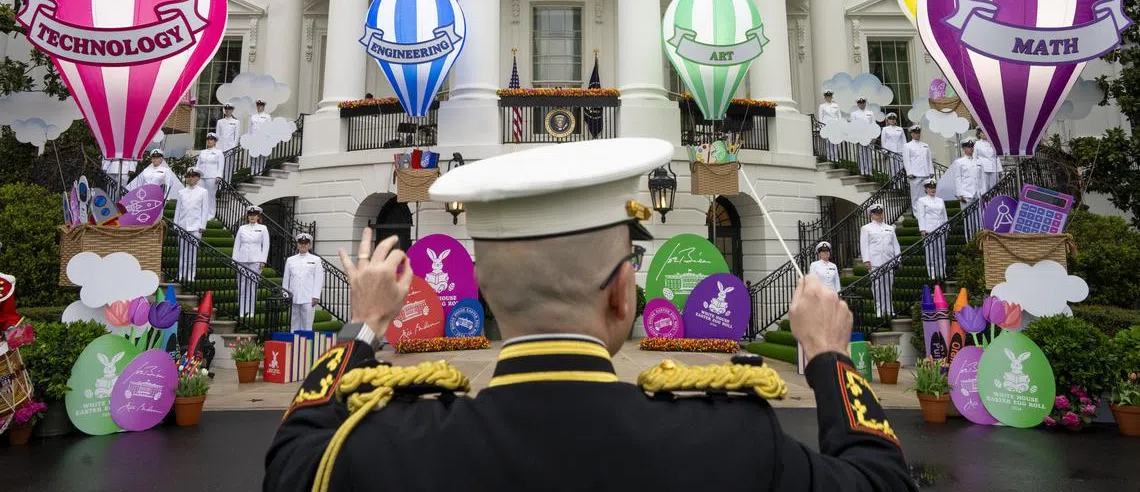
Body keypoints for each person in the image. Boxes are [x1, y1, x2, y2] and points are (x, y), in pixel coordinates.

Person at [265, 139, 915, 492]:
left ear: (484, 295)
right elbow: (882, 479)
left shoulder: (387, 447)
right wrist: (829, 357)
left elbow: (291, 459)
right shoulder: (734, 441)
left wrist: (366, 325)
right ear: (622, 294)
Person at [859, 204, 900, 318]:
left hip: (889, 260)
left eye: (880, 213)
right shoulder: (866, 228)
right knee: (877, 286)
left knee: (888, 286)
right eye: (876, 214)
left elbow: (895, 244)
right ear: (871, 215)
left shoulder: (890, 228)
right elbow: (864, 245)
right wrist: (866, 260)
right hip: (874, 261)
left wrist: (898, 258)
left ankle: (889, 309)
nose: (879, 216)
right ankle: (879, 309)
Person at [232, 206, 271, 318]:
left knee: (252, 286)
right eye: (250, 215)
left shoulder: (263, 228)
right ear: (248, 216)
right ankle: (242, 310)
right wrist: (235, 260)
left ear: (258, 217)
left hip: (256, 260)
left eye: (254, 215)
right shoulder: (242, 228)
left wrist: (263, 260)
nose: (252, 217)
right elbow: (237, 245)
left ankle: (250, 311)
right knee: (242, 285)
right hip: (242, 259)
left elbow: (266, 246)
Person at [172, 168, 209, 283]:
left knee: (192, 253)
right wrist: (175, 224)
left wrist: (202, 226)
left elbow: (205, 210)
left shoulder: (203, 192)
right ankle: (180, 274)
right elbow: (178, 209)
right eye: (189, 176)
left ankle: (190, 275)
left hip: (196, 226)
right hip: (183, 225)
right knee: (182, 252)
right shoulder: (181, 192)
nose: (191, 178)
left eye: (193, 176)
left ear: (198, 178)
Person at [282, 233, 323, 331]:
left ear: (309, 245)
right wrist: (285, 293)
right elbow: (286, 278)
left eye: (305, 243)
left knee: (307, 324)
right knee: (294, 322)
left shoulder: (316, 260)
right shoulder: (290, 260)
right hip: (294, 295)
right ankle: (294, 343)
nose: (303, 245)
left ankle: (306, 345)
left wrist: (316, 296)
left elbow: (319, 279)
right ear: (297, 245)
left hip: (308, 296)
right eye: (301, 243)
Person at [914, 179, 949, 280]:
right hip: (929, 229)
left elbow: (944, 215)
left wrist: (946, 226)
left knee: (941, 252)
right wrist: (922, 229)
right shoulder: (922, 200)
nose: (932, 189)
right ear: (926, 189)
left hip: (940, 228)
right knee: (930, 252)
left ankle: (942, 272)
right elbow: (921, 216)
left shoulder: (940, 200)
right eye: (930, 188)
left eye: (934, 187)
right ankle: (932, 273)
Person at [949, 140, 985, 238]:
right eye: (969, 147)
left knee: (979, 220)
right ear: (964, 148)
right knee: (968, 220)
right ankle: (969, 241)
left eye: (972, 146)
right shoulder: (959, 162)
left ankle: (979, 240)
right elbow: (957, 178)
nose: (971, 149)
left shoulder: (978, 161)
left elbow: (982, 178)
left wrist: (983, 191)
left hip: (977, 193)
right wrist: (960, 194)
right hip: (966, 193)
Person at [195, 133, 225, 220]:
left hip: (212, 177)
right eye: (208, 139)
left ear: (215, 142)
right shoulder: (202, 152)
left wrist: (219, 176)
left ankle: (211, 215)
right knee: (200, 195)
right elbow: (198, 165)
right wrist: (195, 175)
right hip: (201, 177)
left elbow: (220, 166)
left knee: (211, 196)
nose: (209, 141)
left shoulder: (219, 153)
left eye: (211, 139)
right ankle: (201, 213)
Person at [903, 126, 933, 210]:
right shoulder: (907, 146)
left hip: (925, 173)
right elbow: (906, 160)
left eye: (918, 133)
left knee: (927, 194)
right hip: (915, 174)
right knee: (915, 195)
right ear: (912, 134)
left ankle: (926, 210)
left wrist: (931, 170)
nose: (917, 134)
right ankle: (916, 213)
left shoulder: (925, 145)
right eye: (915, 133)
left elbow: (929, 159)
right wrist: (909, 172)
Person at [849, 97, 877, 176]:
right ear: (857, 104)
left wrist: (874, 136)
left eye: (863, 102)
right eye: (860, 103)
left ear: (865, 103)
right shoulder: (854, 114)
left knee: (869, 154)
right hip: (859, 136)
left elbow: (873, 124)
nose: (862, 104)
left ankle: (869, 171)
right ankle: (862, 170)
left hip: (868, 136)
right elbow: (853, 126)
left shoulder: (870, 113)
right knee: (861, 154)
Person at [816, 90, 843, 162]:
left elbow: (839, 116)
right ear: (825, 97)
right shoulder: (822, 106)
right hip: (826, 125)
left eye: (830, 96)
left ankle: (836, 158)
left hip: (835, 125)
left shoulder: (836, 105)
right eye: (827, 96)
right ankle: (830, 157)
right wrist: (821, 128)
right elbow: (820, 117)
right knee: (828, 143)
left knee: (836, 142)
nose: (828, 97)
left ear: (831, 97)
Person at [216, 104, 241, 179]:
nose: (227, 111)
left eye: (229, 109)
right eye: (226, 109)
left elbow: (236, 136)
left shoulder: (236, 122)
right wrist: (216, 147)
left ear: (232, 110)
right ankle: (219, 185)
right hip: (220, 147)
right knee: (219, 167)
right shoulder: (220, 122)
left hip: (230, 147)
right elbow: (217, 135)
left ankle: (227, 183)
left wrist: (234, 147)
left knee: (228, 167)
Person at [249, 100, 271, 176]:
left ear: (263, 106)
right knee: (253, 157)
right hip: (254, 139)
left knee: (261, 157)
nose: (259, 107)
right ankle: (252, 171)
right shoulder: (253, 116)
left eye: (261, 105)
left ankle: (260, 171)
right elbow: (250, 130)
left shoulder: (267, 116)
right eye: (258, 105)